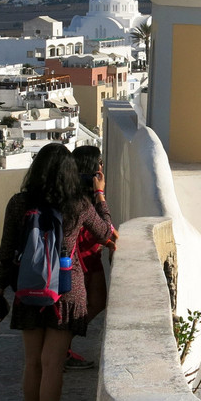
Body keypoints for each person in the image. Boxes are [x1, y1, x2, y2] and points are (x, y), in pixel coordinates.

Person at [0, 142, 116, 401]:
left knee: (32, 363)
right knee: (52, 364)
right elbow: (108, 234)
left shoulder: (18, 203)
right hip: (66, 289)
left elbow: (6, 250)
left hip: (28, 289)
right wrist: (99, 194)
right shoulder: (79, 204)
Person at [66, 145, 118, 370]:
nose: (102, 166)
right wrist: (100, 194)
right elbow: (105, 229)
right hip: (82, 256)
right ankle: (61, 346)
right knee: (94, 301)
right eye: (99, 162)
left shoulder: (77, 192)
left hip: (89, 253)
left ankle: (62, 344)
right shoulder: (82, 195)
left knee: (95, 302)